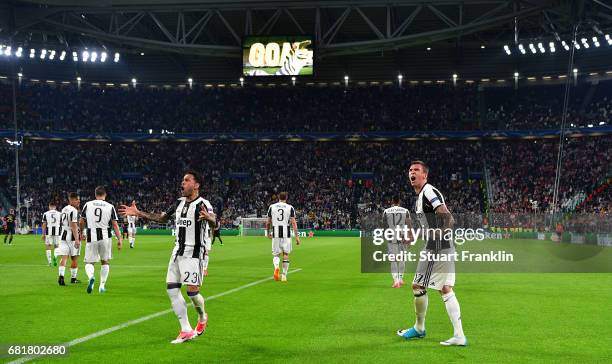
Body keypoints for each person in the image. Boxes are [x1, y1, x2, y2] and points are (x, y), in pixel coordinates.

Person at [119, 170, 215, 344]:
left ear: (196, 185)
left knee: (192, 294)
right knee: (171, 289)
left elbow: (214, 221)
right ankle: (185, 329)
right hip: (177, 252)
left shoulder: (204, 203)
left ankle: (202, 317)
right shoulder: (178, 203)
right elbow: (162, 218)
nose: (182, 183)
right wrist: (139, 213)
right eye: (182, 180)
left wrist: (210, 219)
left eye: (186, 180)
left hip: (194, 254)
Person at [397, 160, 467, 346]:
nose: (412, 172)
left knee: (419, 286)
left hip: (437, 246)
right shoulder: (421, 196)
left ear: (424, 175)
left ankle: (420, 329)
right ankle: (457, 335)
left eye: (416, 170)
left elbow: (448, 218)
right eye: (410, 169)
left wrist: (438, 234)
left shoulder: (428, 191)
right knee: (443, 288)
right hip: (438, 244)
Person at [80, 186, 123, 294]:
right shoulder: (110, 206)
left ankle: (91, 277)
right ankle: (102, 286)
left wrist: (81, 232)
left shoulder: (88, 204)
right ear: (105, 195)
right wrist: (120, 239)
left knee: (89, 262)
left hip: (91, 236)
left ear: (95, 194)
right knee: (105, 262)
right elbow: (115, 224)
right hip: (105, 237)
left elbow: (81, 221)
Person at [265, 192, 300, 282]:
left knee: (276, 254)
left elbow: (268, 222)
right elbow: (293, 222)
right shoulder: (290, 207)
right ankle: (284, 275)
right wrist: (297, 237)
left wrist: (268, 232)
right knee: (286, 254)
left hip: (275, 231)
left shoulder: (272, 207)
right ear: (286, 198)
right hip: (286, 232)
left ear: (278, 197)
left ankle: (277, 267)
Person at [382, 196, 410, 288]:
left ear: (392, 201)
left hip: (391, 237)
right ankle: (401, 278)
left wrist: (385, 235)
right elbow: (409, 225)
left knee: (393, 259)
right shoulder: (405, 211)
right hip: (402, 236)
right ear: (399, 201)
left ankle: (396, 281)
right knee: (402, 258)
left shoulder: (386, 211)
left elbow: (384, 226)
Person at [57, 193, 81, 286]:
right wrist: (77, 239)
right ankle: (73, 278)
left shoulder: (64, 209)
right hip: (71, 236)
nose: (78, 201)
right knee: (74, 257)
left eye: (78, 199)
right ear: (71, 200)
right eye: (76, 199)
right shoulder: (74, 210)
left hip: (63, 235)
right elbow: (74, 225)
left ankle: (61, 276)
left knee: (64, 257)